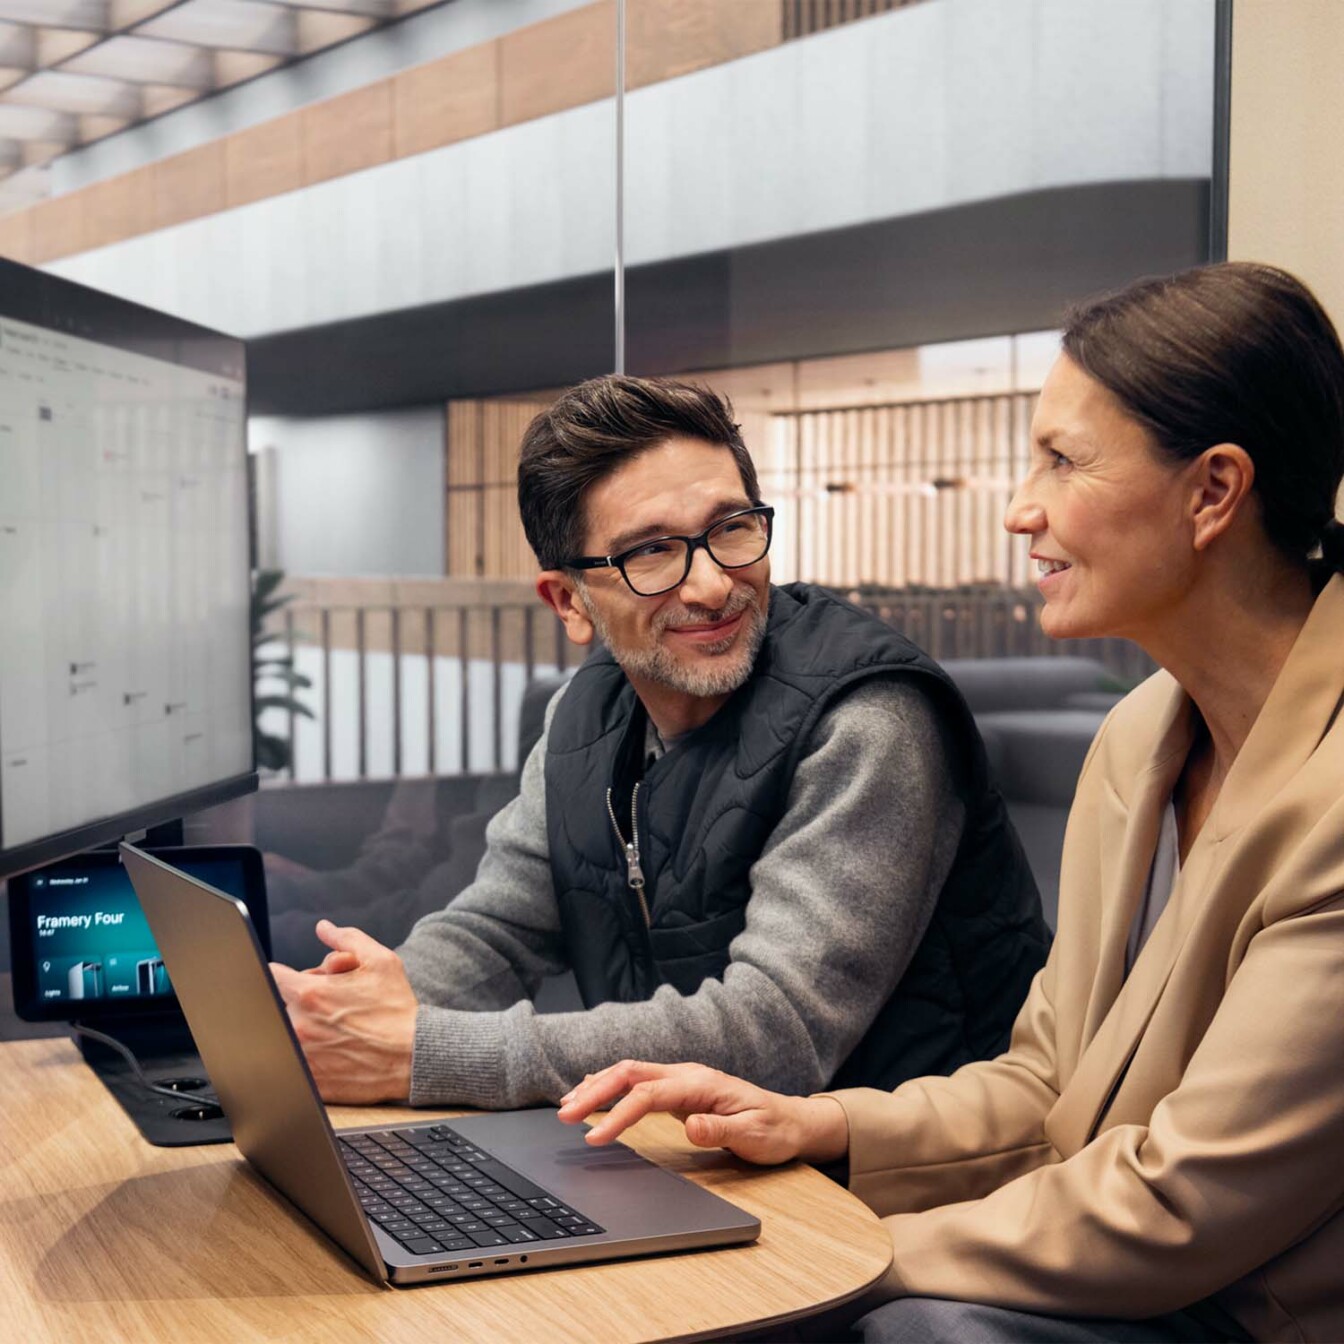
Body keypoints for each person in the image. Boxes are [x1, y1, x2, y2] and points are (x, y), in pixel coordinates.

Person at [558, 263, 1344, 1344]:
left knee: (911, 1328)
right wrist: (818, 1124)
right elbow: (1048, 1085)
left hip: (1250, 1314)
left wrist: (830, 1255)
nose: (1021, 509)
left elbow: (1182, 1205)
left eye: (1063, 462)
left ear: (1213, 492)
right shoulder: (1136, 742)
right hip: (1158, 1275)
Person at [270, 374, 1048, 1110]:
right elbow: (498, 928)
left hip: (898, 1181)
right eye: (651, 552)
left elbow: (776, 1031)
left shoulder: (867, 718)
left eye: (732, 529)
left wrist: (422, 1051)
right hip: (691, 1153)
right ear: (569, 601)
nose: (712, 586)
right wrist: (348, 1015)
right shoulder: (587, 711)